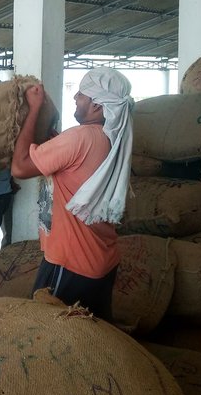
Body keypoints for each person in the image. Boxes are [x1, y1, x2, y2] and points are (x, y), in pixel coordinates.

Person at [11, 68, 134, 320]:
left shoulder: (79, 138)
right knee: (93, 340)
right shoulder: (110, 140)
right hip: (101, 260)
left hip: (70, 264)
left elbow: (19, 167)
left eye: (82, 94)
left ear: (97, 106)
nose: (75, 96)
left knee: (50, 337)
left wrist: (33, 109)